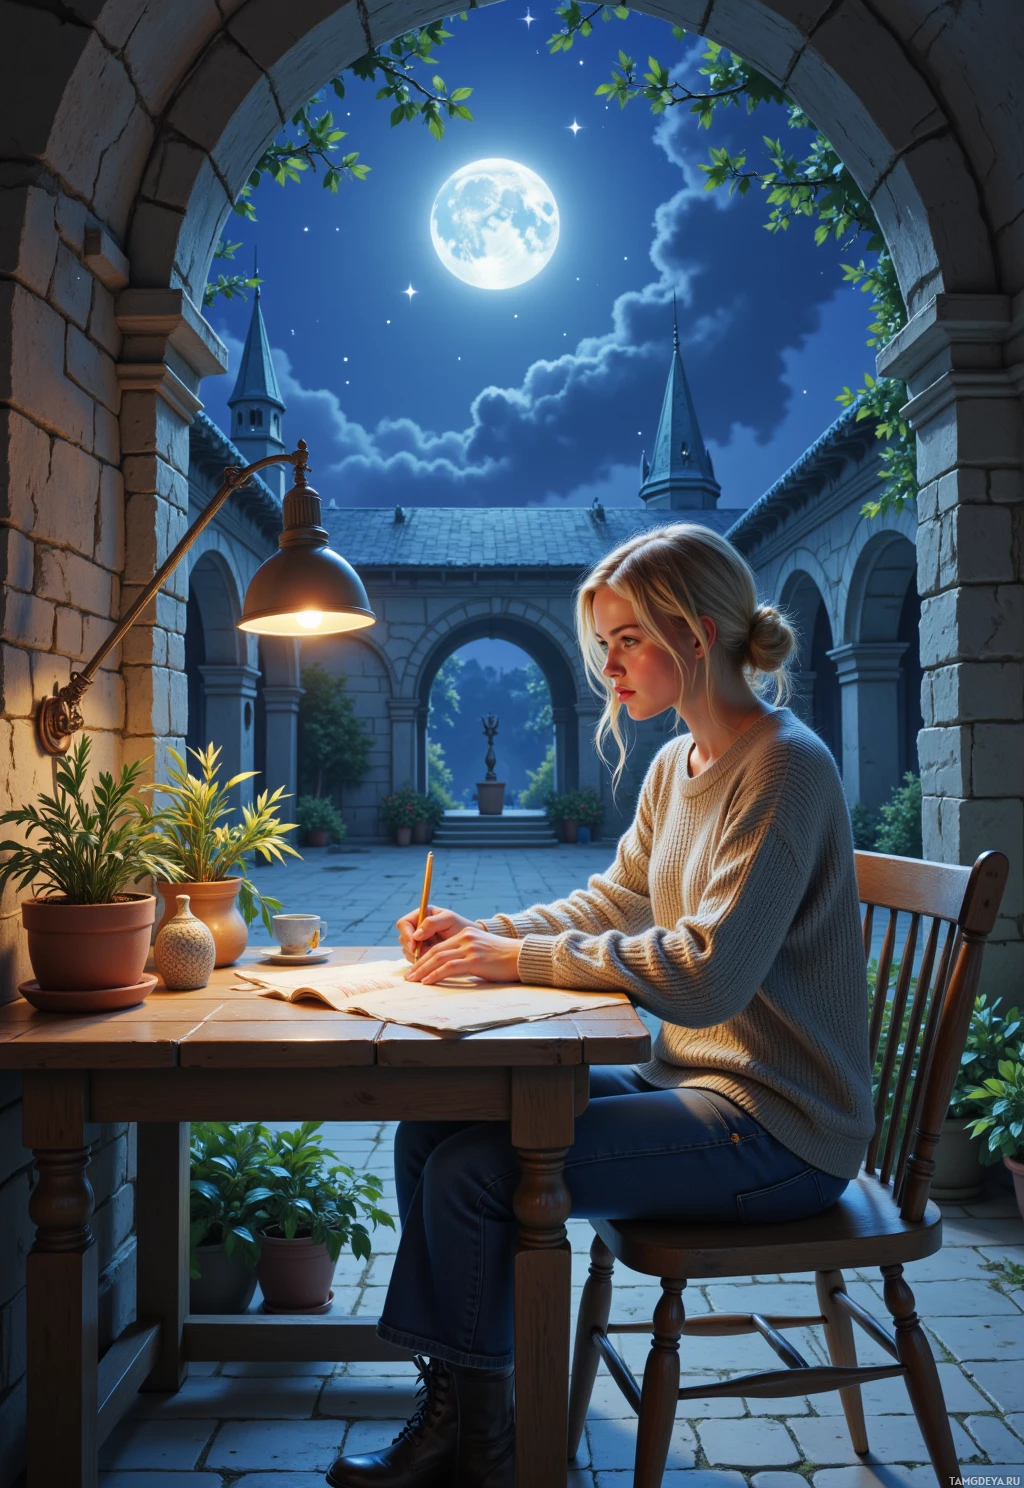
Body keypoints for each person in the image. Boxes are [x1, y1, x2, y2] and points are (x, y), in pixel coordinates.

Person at [326, 524, 874, 1488]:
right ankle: (466, 1409)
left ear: (697, 634)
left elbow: (706, 973)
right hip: (698, 1086)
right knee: (433, 1126)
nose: (608, 664)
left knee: (479, 1174)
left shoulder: (785, 767)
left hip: (782, 1127)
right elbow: (613, 903)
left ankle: (484, 1443)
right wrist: (481, 933)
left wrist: (521, 958)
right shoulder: (678, 765)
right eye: (604, 642)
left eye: (628, 639)